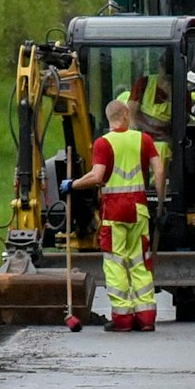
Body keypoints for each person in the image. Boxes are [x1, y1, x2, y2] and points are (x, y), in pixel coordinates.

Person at [65, 99, 165, 332]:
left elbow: (98, 176)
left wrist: (73, 184)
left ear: (109, 117)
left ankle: (122, 319)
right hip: (139, 210)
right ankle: (146, 317)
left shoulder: (103, 143)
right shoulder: (143, 139)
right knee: (140, 262)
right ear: (127, 115)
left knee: (116, 263)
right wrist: (160, 205)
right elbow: (159, 170)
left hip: (114, 213)